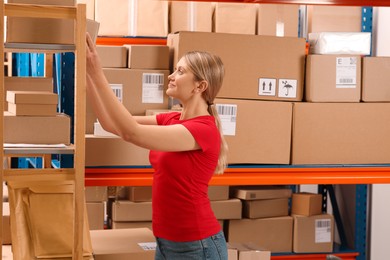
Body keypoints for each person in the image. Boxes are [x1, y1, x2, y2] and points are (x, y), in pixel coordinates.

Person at [86, 33, 229, 260]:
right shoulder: (171, 119)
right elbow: (110, 124)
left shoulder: (204, 130)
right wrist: (87, 75)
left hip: (196, 245)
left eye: (181, 72)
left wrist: (97, 72)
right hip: (165, 241)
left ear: (200, 86)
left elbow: (130, 132)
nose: (171, 76)